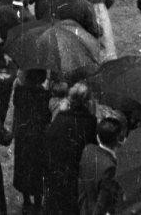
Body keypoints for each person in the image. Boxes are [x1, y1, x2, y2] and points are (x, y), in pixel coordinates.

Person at [43, 82, 97, 215]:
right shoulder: (91, 121)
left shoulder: (61, 117)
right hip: (76, 173)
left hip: (58, 170)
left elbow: (49, 140)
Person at [0, 0, 33, 125]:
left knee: (3, 91)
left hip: (4, 55)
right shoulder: (28, 17)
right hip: (20, 58)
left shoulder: (1, 11)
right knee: (21, 89)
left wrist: (0, 52)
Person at [13, 69, 51, 213]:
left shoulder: (19, 91)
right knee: (38, 167)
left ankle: (26, 201)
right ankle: (38, 202)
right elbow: (46, 116)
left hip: (23, 135)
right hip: (39, 136)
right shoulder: (45, 94)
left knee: (23, 166)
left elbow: (17, 108)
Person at [78, 116, 126, 215]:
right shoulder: (110, 168)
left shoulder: (88, 150)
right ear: (118, 139)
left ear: (98, 138)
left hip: (85, 209)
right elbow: (103, 204)